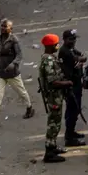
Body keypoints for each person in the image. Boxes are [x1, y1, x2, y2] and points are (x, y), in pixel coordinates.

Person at [0, 19, 34, 129]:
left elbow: (19, 55)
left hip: (12, 74)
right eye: (2, 26)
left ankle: (29, 107)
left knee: (21, 92)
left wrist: (13, 64)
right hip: (0, 73)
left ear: (10, 29)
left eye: (5, 26)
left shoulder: (13, 40)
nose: (2, 28)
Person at [37, 33, 69, 162]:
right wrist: (67, 83)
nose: (58, 46)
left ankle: (53, 145)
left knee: (56, 122)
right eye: (56, 44)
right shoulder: (49, 61)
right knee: (53, 124)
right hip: (53, 96)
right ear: (51, 46)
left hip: (55, 96)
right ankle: (49, 153)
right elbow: (52, 82)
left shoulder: (49, 58)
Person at [57, 29, 87, 147]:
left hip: (75, 83)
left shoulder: (70, 49)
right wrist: (79, 61)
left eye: (74, 39)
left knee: (75, 109)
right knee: (72, 110)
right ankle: (69, 138)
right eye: (71, 39)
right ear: (64, 40)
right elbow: (79, 58)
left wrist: (79, 60)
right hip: (70, 85)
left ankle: (71, 132)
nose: (73, 41)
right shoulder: (65, 51)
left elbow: (80, 56)